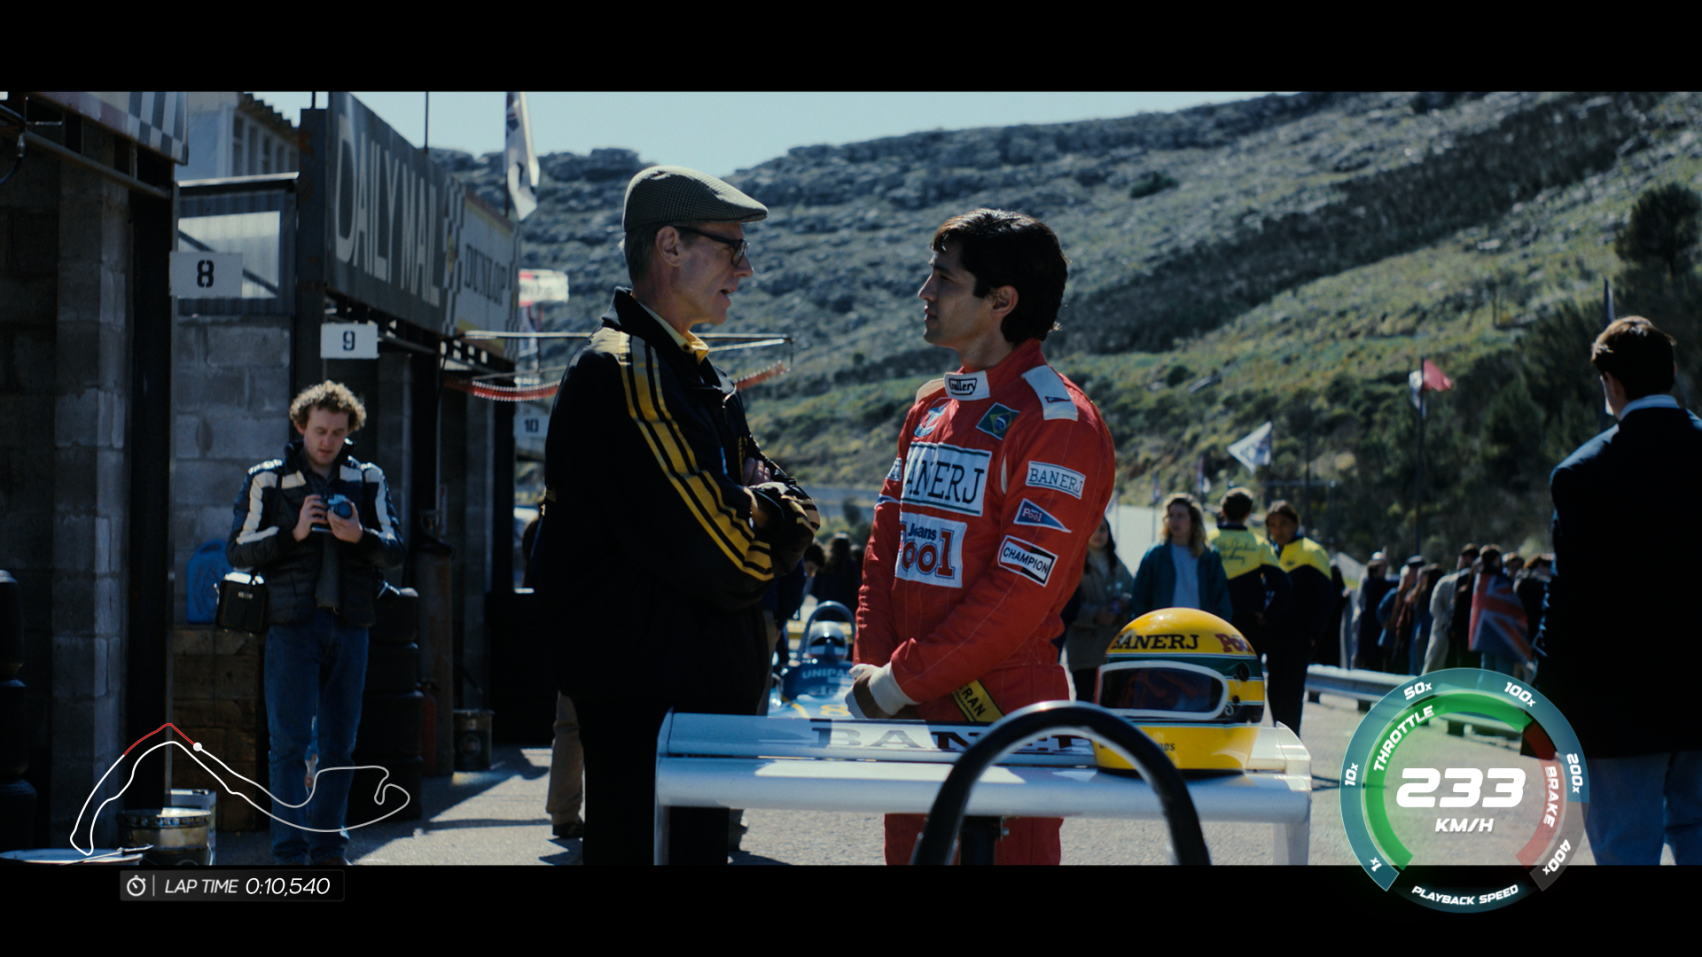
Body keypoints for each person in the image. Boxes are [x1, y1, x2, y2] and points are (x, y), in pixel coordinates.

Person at [529, 166, 819, 865]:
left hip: (688, 702)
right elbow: (724, 552)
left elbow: (791, 505)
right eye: (731, 248)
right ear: (669, 245)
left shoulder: (691, 369)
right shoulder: (626, 371)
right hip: (650, 709)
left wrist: (767, 512)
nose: (745, 270)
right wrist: (769, 528)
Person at [853, 208, 1115, 866]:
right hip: (910, 700)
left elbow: (1019, 592)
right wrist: (872, 663)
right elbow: (886, 547)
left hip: (1002, 709)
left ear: (1002, 300)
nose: (925, 292)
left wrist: (893, 683)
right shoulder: (930, 406)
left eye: (943, 277)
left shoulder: (1059, 421)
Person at [1536, 316, 1702, 865]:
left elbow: (1569, 606)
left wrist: (1544, 705)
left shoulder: (1582, 474)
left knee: (1626, 847)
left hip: (1620, 705)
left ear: (1611, 384)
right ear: (1673, 373)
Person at [227, 381, 405, 866]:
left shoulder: (368, 479)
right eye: (319, 430)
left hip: (350, 626)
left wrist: (359, 536)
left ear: (350, 431)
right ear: (300, 426)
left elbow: (395, 549)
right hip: (291, 627)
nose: (327, 441)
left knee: (340, 748)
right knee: (286, 747)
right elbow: (238, 550)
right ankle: (289, 855)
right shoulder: (268, 478)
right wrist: (294, 533)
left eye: (338, 432)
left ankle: (328, 850)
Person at [1263, 500, 1334, 732]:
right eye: (1272, 525)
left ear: (1295, 524)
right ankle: (1279, 737)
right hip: (1274, 636)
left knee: (1291, 691)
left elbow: (1326, 598)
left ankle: (1290, 743)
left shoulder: (1312, 552)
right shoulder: (1269, 552)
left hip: (1299, 636)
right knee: (1273, 688)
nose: (1278, 529)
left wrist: (1313, 633)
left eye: (1283, 523)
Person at [1124, 491, 1234, 630]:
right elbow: (1139, 597)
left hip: (1200, 631)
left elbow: (1222, 599)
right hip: (1163, 630)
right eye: (1171, 516)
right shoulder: (1156, 554)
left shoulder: (1209, 556)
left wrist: (1221, 630)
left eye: (1181, 516)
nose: (1175, 521)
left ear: (1193, 520)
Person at [1207, 489, 1290, 666]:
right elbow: (1284, 586)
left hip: (1209, 621)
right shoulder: (1259, 544)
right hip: (1247, 625)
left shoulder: (1206, 541)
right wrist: (1268, 616)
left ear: (1222, 511)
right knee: (1244, 678)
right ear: (1247, 514)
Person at [1062, 517, 1138, 703]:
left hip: (1112, 652)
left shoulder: (1118, 564)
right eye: (1094, 529)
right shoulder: (1073, 563)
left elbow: (1132, 592)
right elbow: (1065, 605)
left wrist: (1123, 603)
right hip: (1084, 653)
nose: (1098, 534)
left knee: (1112, 706)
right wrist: (1095, 614)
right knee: (1086, 706)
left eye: (1103, 529)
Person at [1421, 543, 1479, 674]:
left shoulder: (1476, 584)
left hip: (1463, 637)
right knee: (1432, 667)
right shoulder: (1445, 582)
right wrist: (1448, 623)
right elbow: (1434, 608)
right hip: (1442, 632)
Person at [1351, 551, 1395, 669]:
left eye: (1385, 565)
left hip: (1377, 635)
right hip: (1367, 635)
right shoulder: (1369, 583)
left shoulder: (1382, 583)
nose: (1383, 568)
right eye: (1380, 565)